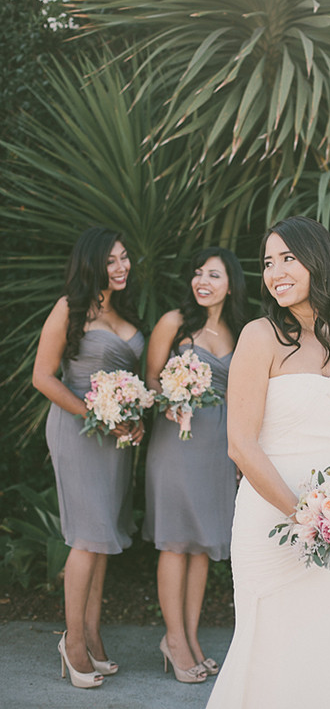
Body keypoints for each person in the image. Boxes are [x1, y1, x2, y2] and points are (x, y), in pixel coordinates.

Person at [206, 216, 330, 709]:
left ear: (318, 261)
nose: (275, 271)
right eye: (267, 262)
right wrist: (306, 517)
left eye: (288, 258)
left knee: (328, 647)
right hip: (271, 519)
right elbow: (240, 444)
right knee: (269, 647)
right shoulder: (259, 336)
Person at [33, 227, 144, 688]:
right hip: (78, 432)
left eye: (124, 258)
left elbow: (133, 382)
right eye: (111, 260)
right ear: (92, 263)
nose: (120, 267)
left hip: (115, 438)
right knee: (86, 537)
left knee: (102, 538)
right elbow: (43, 377)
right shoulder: (70, 308)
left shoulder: (124, 310)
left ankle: (94, 636)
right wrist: (96, 416)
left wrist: (133, 419)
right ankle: (72, 642)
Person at [143, 246, 248, 684]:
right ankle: (174, 639)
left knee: (203, 544)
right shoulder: (174, 323)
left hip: (217, 450)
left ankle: (190, 637)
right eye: (198, 273)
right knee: (175, 541)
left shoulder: (241, 332)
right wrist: (171, 396)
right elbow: (150, 378)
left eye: (214, 275)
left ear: (231, 284)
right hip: (177, 444)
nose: (203, 281)